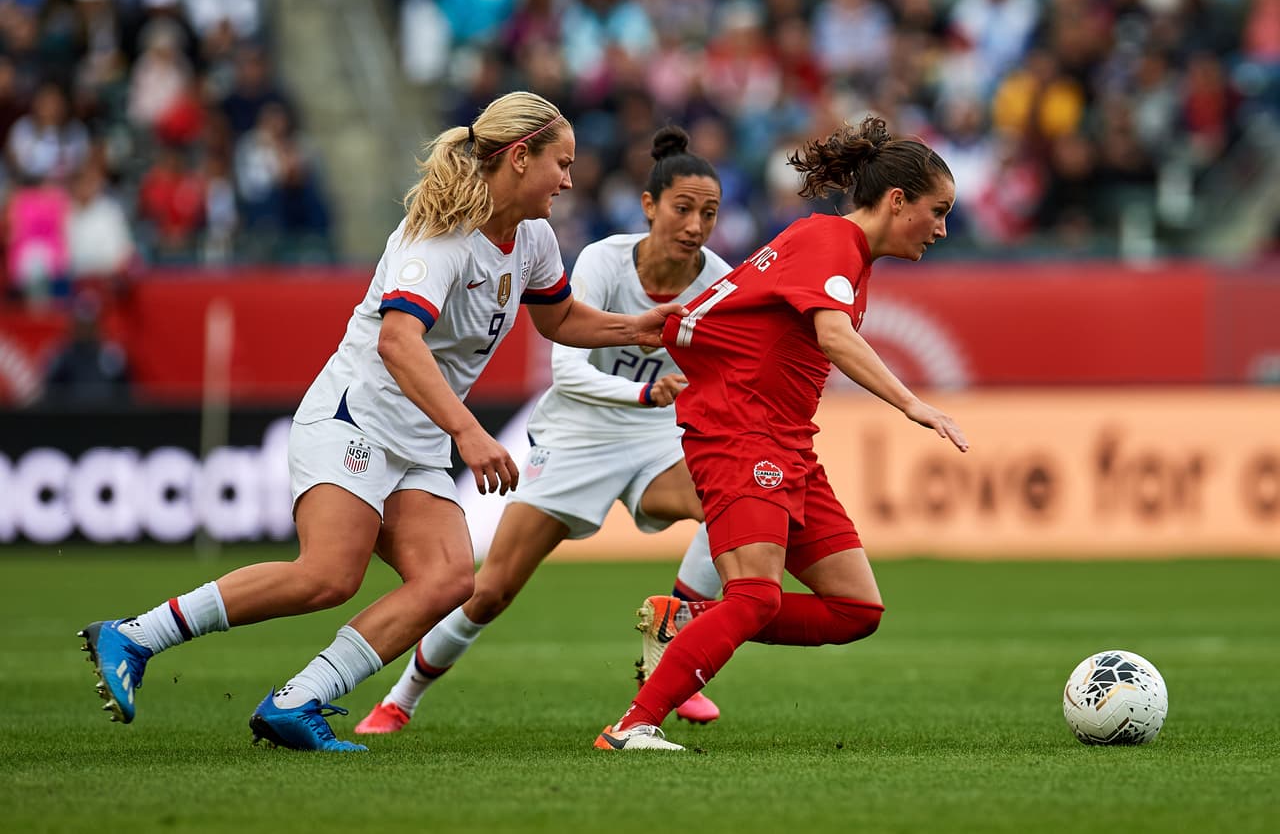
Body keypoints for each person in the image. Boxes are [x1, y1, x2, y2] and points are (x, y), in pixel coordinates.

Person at [77, 91, 684, 753]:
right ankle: (135, 635)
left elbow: (559, 318)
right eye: (560, 164)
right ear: (518, 158)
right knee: (329, 575)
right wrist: (469, 432)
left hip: (417, 437)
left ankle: (298, 699)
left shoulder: (532, 237)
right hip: (354, 418)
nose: (569, 180)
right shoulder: (439, 238)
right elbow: (399, 343)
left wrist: (638, 329)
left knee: (451, 579)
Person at [594, 115, 970, 751]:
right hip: (742, 432)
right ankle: (633, 726)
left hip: (788, 440)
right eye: (937, 212)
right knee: (755, 597)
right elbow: (832, 335)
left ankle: (684, 621)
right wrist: (913, 404)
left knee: (856, 609)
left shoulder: (844, 252)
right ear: (897, 200)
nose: (942, 228)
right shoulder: (830, 241)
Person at [352, 125, 732, 736]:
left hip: (655, 439)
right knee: (491, 589)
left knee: (728, 504)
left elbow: (722, 370)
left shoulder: (718, 279)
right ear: (649, 206)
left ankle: (671, 659)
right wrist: (643, 390)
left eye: (709, 214)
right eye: (682, 208)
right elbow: (566, 368)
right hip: (577, 435)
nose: (695, 225)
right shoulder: (606, 260)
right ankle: (400, 700)